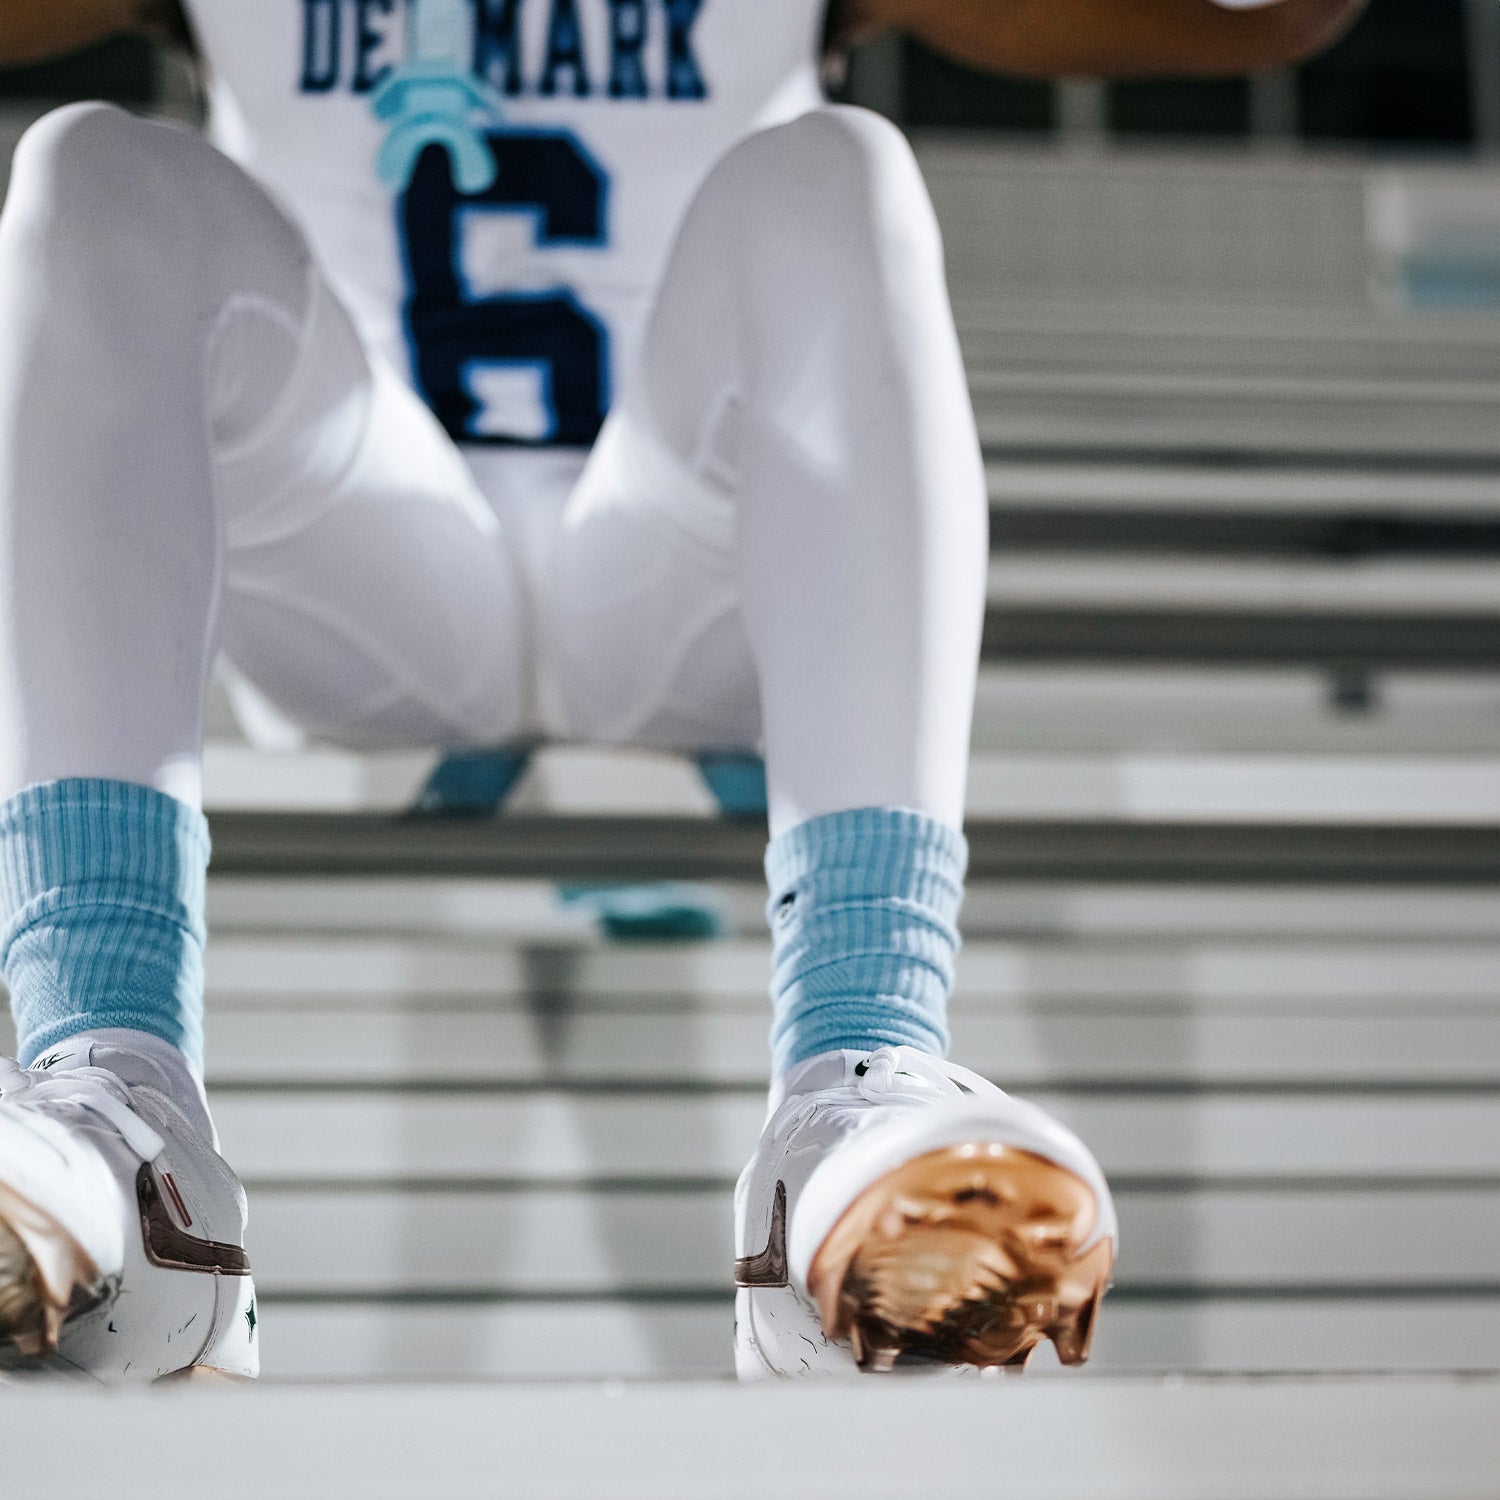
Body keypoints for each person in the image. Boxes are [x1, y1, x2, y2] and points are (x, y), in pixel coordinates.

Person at [0, 0, 1364, 1381]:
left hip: (667, 559)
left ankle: (854, 1078)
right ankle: (118, 1102)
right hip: (371, 556)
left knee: (838, 167)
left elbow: (1253, 22)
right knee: (91, 171)